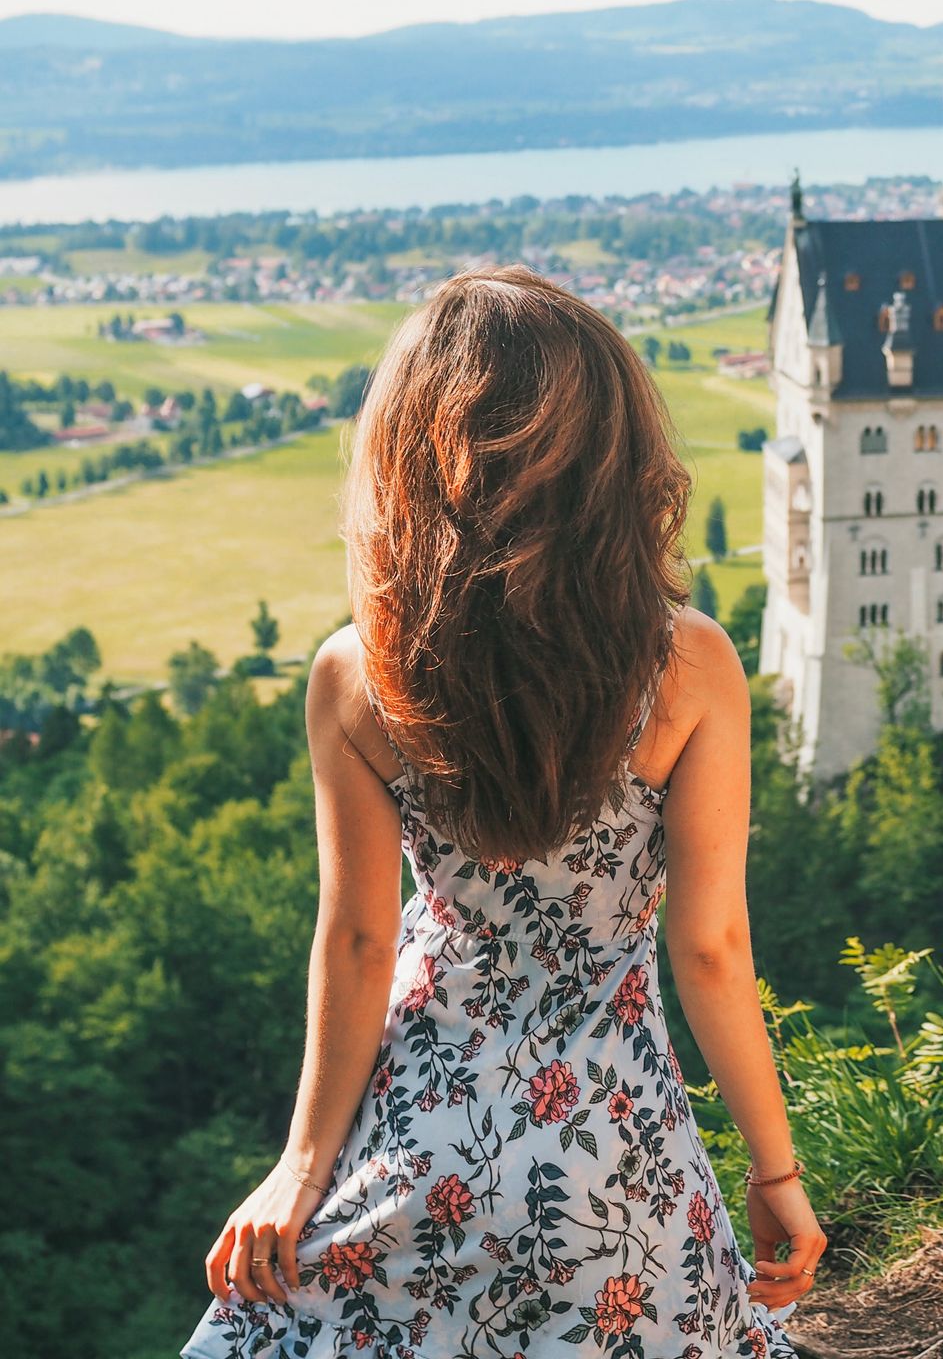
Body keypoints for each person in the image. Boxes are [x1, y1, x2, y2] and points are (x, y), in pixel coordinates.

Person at [183, 266, 826, 1358]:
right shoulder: (688, 669)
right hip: (616, 1166)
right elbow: (710, 951)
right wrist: (775, 1174)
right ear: (612, 462)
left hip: (418, 1146)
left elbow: (356, 939)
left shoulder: (359, 676)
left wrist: (300, 1167)